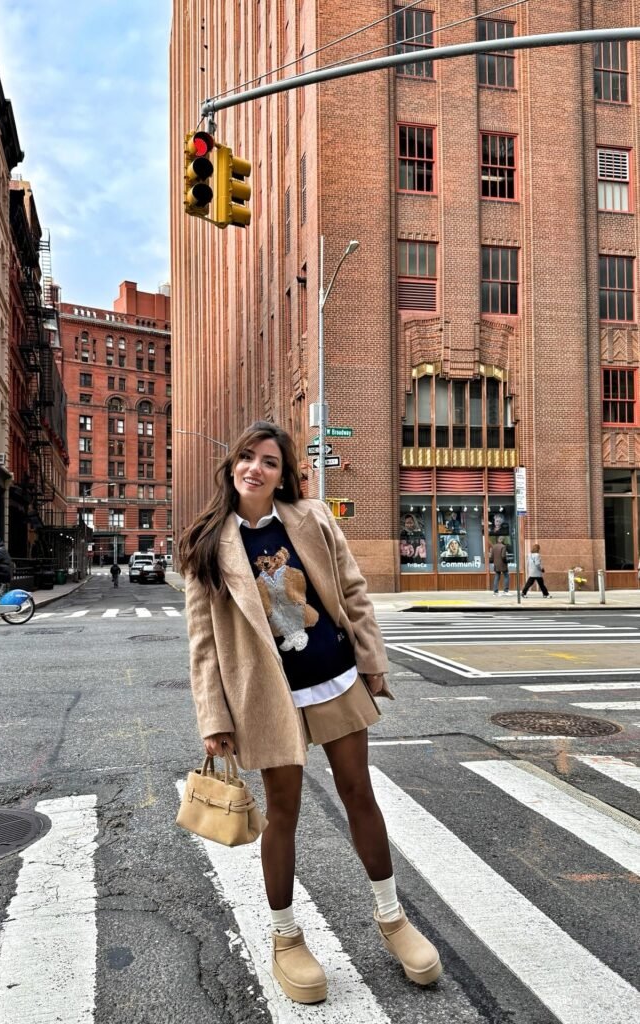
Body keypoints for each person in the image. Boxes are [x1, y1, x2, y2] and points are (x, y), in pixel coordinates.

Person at [180, 421, 441, 1005]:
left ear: (283, 473)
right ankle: (285, 937)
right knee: (283, 814)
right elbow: (202, 643)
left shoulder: (313, 519)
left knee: (359, 793)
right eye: (246, 457)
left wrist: (372, 659)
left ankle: (392, 918)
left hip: (334, 676)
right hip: (267, 698)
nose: (255, 468)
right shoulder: (205, 542)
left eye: (269, 461)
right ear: (231, 466)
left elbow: (351, 592)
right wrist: (213, 717)